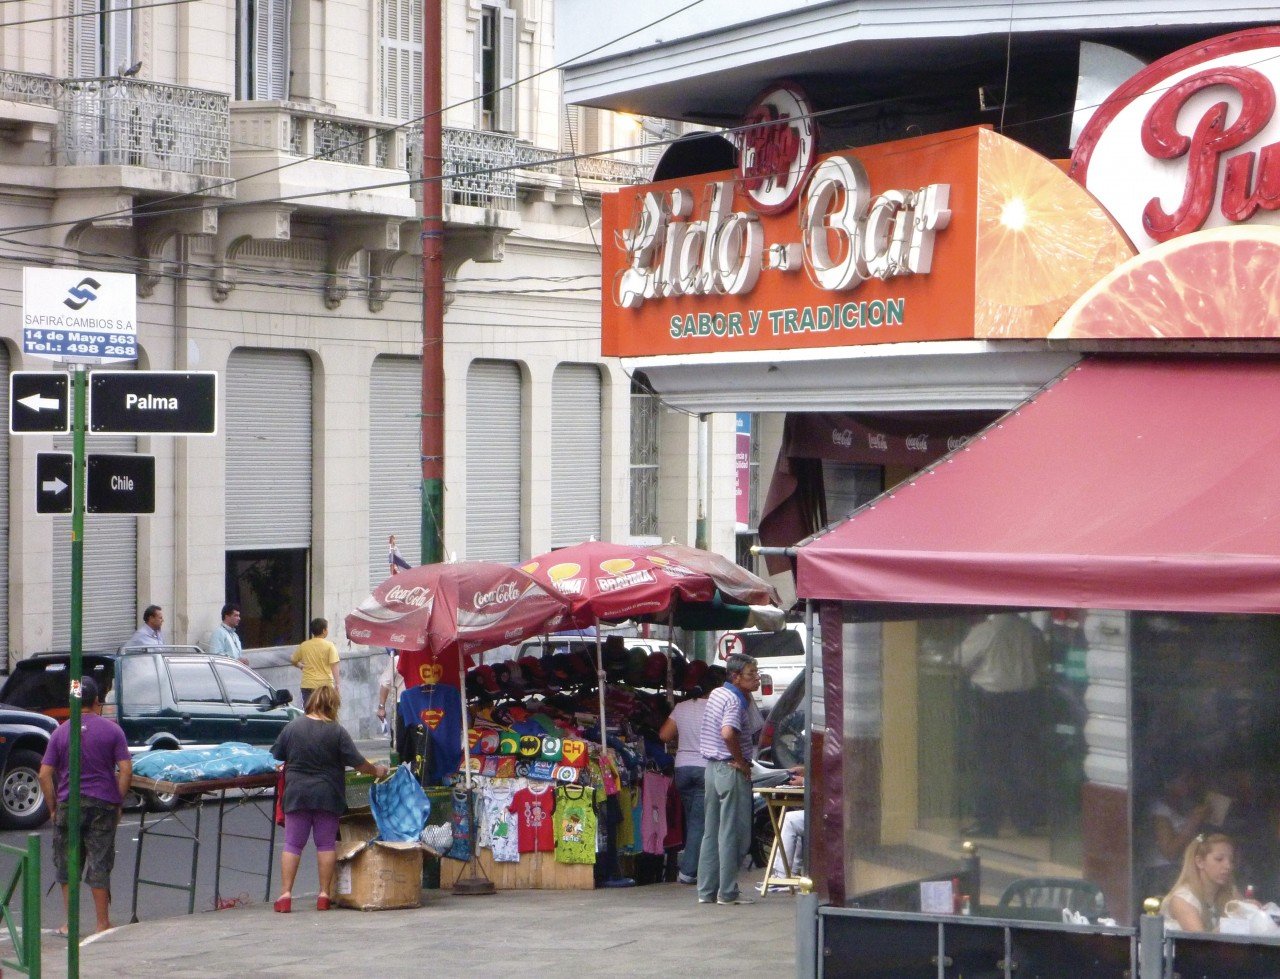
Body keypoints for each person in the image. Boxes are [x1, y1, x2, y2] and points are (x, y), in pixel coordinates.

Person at [270, 685, 388, 912]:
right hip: (328, 795)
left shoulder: (292, 728)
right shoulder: (337, 731)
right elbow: (359, 763)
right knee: (325, 844)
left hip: (297, 794)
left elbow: (275, 757)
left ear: (312, 702)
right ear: (333, 706)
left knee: (293, 844)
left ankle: (285, 895)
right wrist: (378, 771)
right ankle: (324, 895)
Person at [37, 676, 132, 936]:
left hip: (70, 804)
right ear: (96, 702)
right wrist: (118, 800)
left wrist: (53, 807)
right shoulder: (113, 731)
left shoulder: (61, 731)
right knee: (99, 862)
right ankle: (102, 923)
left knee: (68, 864)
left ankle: (71, 923)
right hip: (103, 804)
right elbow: (125, 770)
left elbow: (44, 774)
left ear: (72, 703)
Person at [958, 612, 1047, 837]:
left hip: (992, 701)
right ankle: (1025, 821)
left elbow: (961, 658)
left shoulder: (987, 630)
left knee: (989, 764)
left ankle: (988, 822)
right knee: (1024, 762)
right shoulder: (1031, 632)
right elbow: (1042, 661)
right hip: (1027, 700)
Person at [696, 652, 763, 906]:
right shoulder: (735, 701)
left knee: (711, 832)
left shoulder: (717, 693)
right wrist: (742, 762)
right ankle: (727, 892)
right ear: (735, 677)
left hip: (712, 770)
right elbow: (727, 732)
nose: (756, 678)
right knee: (733, 833)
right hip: (730, 769)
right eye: (751, 675)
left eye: (756, 673)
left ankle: (706, 891)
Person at [657, 665, 727, 885]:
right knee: (699, 822)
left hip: (682, 768)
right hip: (705, 766)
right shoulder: (719, 708)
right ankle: (688, 872)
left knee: (692, 820)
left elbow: (664, 735)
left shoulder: (683, 707)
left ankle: (695, 865)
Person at [1139, 763, 1211, 899]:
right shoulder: (1158, 809)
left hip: (1182, 869)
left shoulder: (1184, 805)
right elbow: (1169, 852)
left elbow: (1196, 839)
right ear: (1168, 782)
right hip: (1162, 873)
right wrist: (1193, 821)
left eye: (1192, 779)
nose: (1190, 784)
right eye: (1184, 780)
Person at [1160, 833, 1242, 932]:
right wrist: (1234, 921)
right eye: (1219, 859)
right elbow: (1201, 943)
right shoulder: (1183, 899)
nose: (1228, 866)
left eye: (1231, 861)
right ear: (1200, 862)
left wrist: (1250, 910)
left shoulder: (1231, 893)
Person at [292, 618, 340, 706]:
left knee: (309, 713)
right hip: (325, 686)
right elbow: (334, 665)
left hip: (307, 685)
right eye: (327, 628)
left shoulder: (304, 645)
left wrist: (300, 666)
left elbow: (293, 660)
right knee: (325, 713)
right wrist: (337, 684)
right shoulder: (330, 646)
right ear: (324, 630)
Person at [376, 650, 406, 756]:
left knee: (403, 741)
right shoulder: (396, 660)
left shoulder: (398, 660)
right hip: (403, 705)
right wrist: (381, 707)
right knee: (401, 741)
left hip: (407, 705)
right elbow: (385, 684)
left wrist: (381, 707)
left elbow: (385, 683)